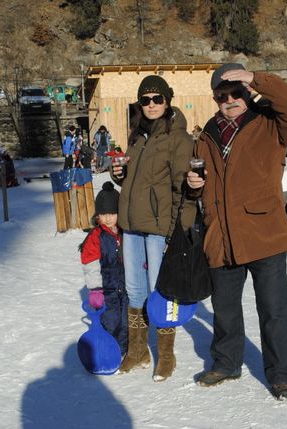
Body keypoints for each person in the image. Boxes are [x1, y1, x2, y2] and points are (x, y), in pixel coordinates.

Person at [186, 63, 287, 400]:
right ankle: (226, 363)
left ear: (247, 92)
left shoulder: (271, 124)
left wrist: (256, 79)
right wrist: (193, 186)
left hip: (263, 233)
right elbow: (202, 185)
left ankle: (280, 374)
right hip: (221, 236)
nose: (230, 100)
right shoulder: (206, 136)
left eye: (236, 92)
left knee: (273, 310)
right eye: (222, 95)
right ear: (215, 98)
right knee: (224, 309)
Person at [110, 75, 196, 381]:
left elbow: (183, 191)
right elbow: (135, 181)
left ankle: (166, 356)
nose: (151, 105)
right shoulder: (138, 137)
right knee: (135, 289)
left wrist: (177, 232)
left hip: (160, 227)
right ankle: (137, 351)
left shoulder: (179, 139)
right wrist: (119, 174)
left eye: (157, 99)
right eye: (144, 100)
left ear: (167, 101)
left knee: (161, 291)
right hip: (132, 223)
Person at [79, 181, 128, 356]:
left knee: (126, 322)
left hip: (126, 288)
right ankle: (110, 350)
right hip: (107, 290)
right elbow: (90, 264)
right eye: (103, 214)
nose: (108, 218)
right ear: (97, 215)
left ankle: (123, 351)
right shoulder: (96, 236)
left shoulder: (125, 232)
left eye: (112, 213)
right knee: (111, 321)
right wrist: (95, 289)